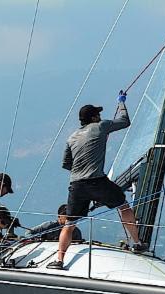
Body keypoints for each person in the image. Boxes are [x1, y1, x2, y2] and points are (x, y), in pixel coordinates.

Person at [48, 92, 145, 270]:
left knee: (70, 223)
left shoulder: (71, 138)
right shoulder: (100, 126)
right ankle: (137, 243)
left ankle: (59, 260)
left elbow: (66, 164)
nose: (100, 116)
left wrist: (81, 173)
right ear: (93, 118)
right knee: (123, 206)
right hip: (97, 181)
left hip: (76, 185)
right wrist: (122, 103)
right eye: (98, 114)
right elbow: (125, 121)